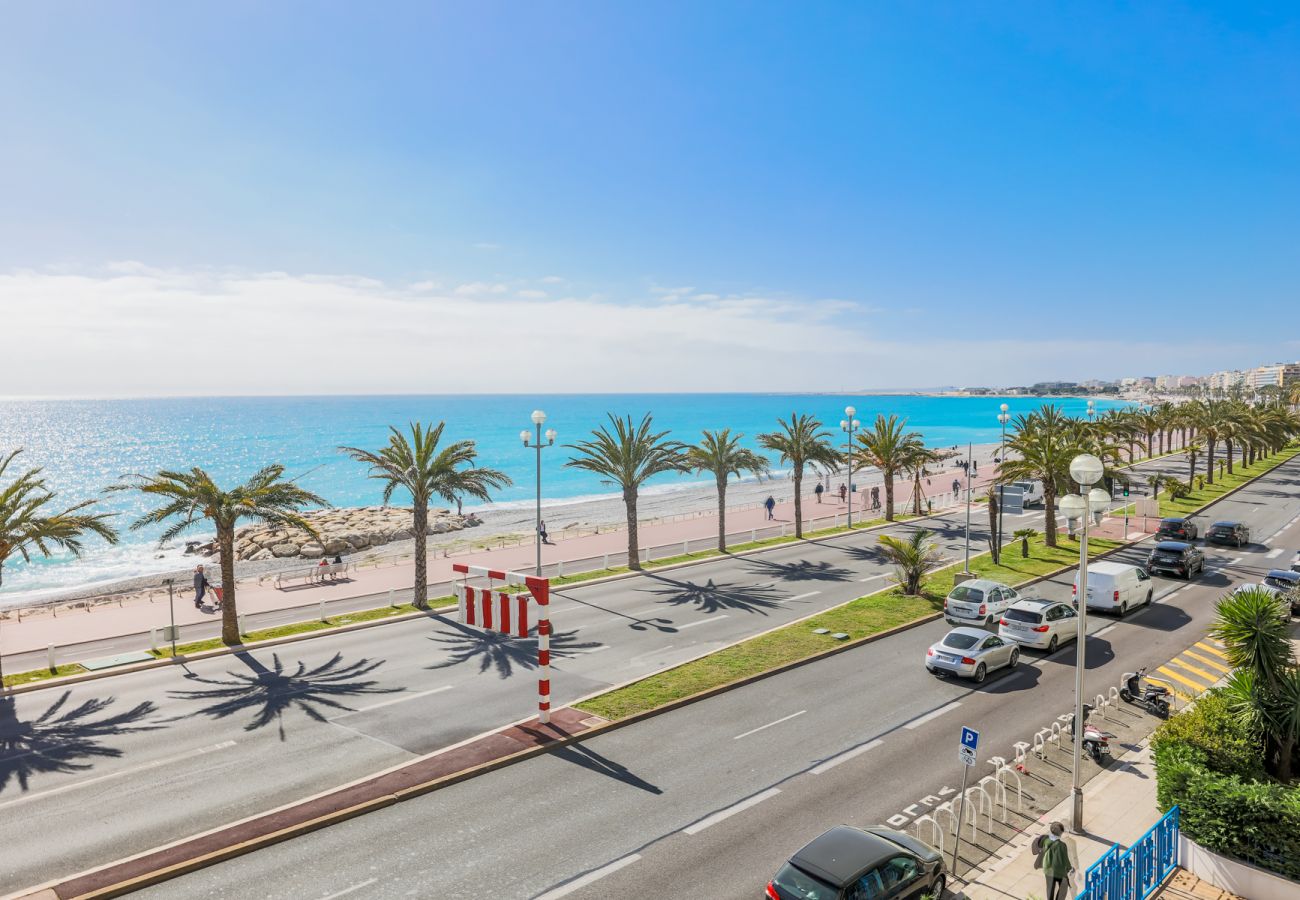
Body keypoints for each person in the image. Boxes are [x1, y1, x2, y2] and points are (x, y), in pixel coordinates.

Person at [1035, 821, 1077, 900]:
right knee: (1063, 887)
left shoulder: (1046, 840)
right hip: (1058, 871)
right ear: (1061, 833)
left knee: (1050, 888)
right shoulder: (1062, 845)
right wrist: (1070, 869)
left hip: (1047, 868)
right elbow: (1065, 860)